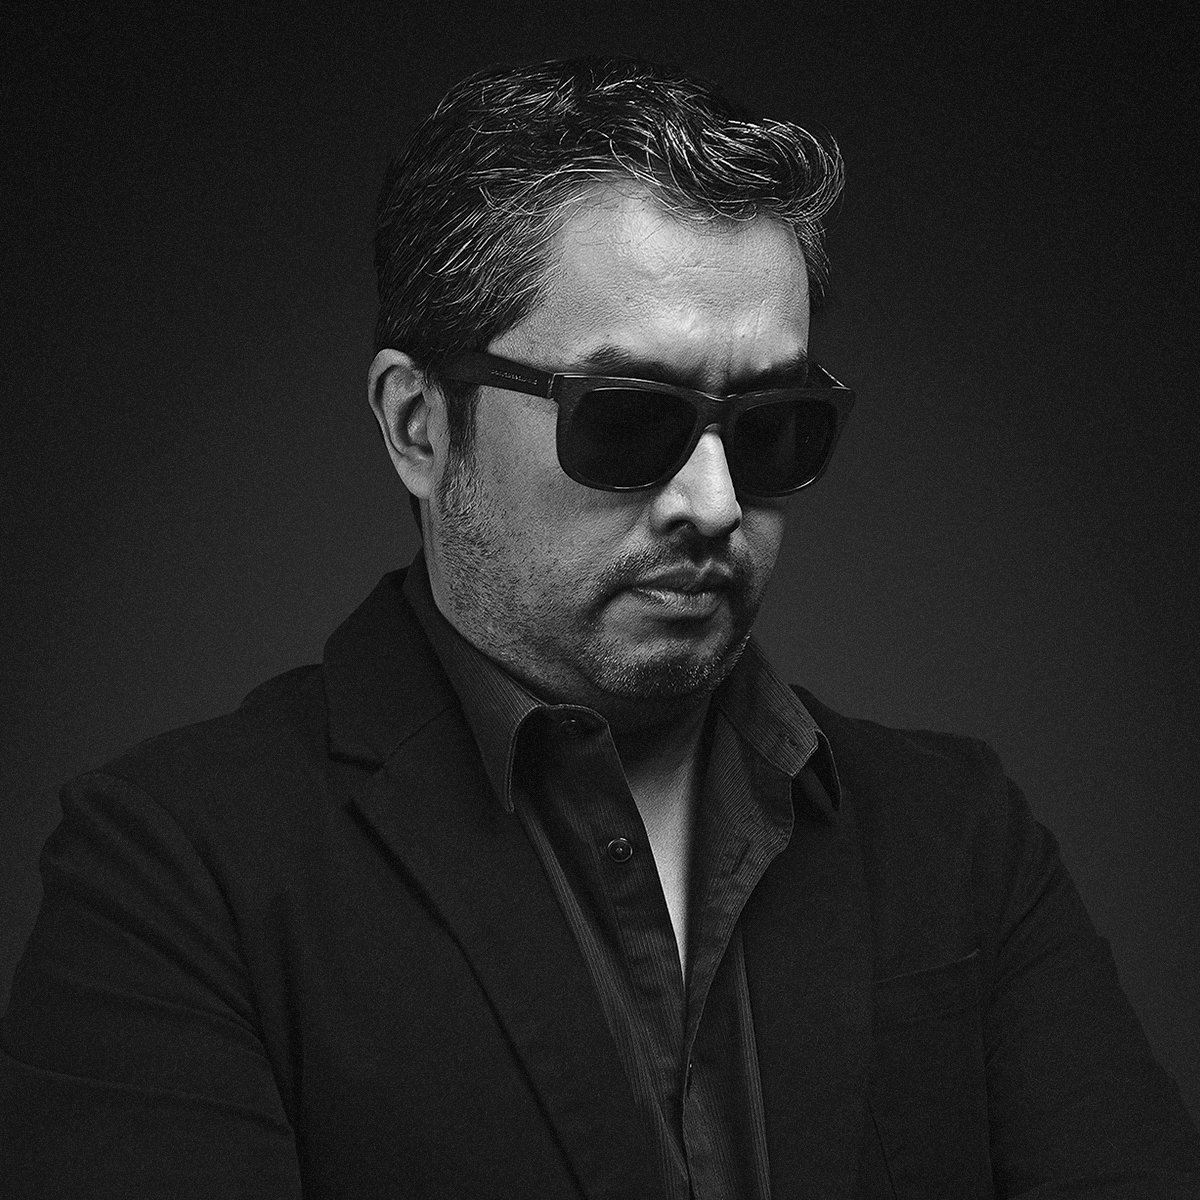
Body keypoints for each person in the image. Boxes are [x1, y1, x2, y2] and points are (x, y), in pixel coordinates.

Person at [1, 55, 1197, 1200]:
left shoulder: (962, 836)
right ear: (419, 426)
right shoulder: (172, 872)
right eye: (626, 420)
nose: (714, 503)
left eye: (772, 427)